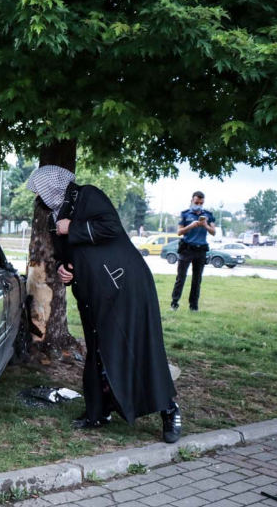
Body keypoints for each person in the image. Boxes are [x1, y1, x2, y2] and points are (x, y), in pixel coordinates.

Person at [27, 165, 181, 443]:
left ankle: (169, 410)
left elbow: (111, 227)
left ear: (52, 185)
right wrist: (65, 268)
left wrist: (73, 227)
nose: (37, 194)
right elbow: (64, 254)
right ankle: (99, 412)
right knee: (98, 349)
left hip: (125, 285)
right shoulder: (54, 216)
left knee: (136, 346)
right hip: (92, 292)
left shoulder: (87, 196)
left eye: (39, 188)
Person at [171, 191, 216, 312]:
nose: (199, 205)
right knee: (181, 277)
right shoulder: (185, 214)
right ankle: (174, 303)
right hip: (187, 249)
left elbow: (213, 231)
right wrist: (191, 226)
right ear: (191, 201)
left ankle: (194, 306)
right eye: (196, 202)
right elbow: (179, 232)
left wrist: (205, 225)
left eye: (201, 203)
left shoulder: (208, 215)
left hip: (200, 250)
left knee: (197, 279)